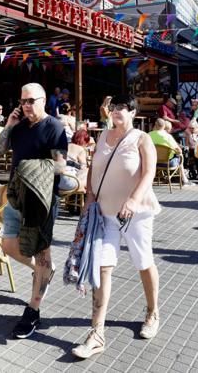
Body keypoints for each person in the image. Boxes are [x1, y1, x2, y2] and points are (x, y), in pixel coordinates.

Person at [72, 95, 161, 359]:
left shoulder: (142, 139)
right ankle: (96, 333)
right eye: (113, 107)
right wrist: (89, 197)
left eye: (122, 107)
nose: (116, 111)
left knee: (143, 262)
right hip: (105, 214)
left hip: (137, 214)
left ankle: (152, 311)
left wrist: (133, 200)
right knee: (102, 267)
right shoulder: (102, 136)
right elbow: (93, 169)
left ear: (133, 112)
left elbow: (149, 173)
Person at [0, 82, 67, 339]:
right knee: (7, 245)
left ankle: (33, 309)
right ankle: (44, 270)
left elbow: (60, 166)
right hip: (15, 197)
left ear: (44, 100)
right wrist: (9, 126)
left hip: (41, 200)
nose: (26, 106)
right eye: (22, 101)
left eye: (31, 101)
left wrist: (32, 170)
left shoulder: (54, 127)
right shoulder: (19, 126)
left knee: (41, 251)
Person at [148, 118, 191, 186]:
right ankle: (184, 179)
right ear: (164, 126)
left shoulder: (149, 135)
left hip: (153, 162)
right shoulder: (168, 136)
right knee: (180, 155)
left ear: (155, 125)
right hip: (168, 163)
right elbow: (179, 150)